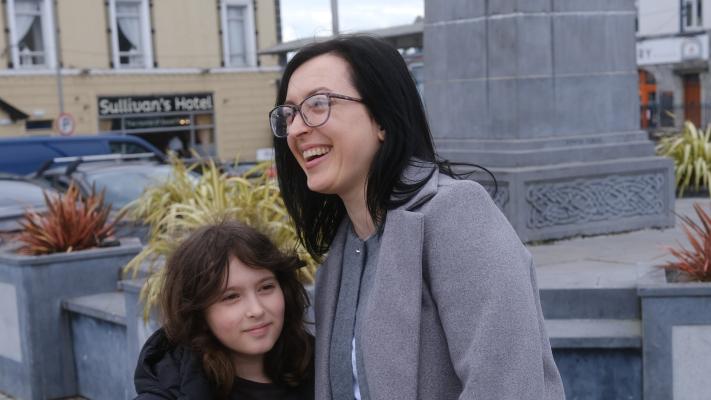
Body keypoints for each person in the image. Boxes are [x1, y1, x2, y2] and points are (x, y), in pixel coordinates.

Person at [269, 35, 565, 400]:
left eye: (318, 104)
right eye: (290, 113)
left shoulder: (454, 214)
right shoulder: (341, 257)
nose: (297, 129)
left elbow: (506, 385)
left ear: (382, 119)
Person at [133, 221, 314, 400]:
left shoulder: (322, 364)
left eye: (266, 287)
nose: (257, 310)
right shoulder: (172, 388)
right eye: (231, 297)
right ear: (198, 313)